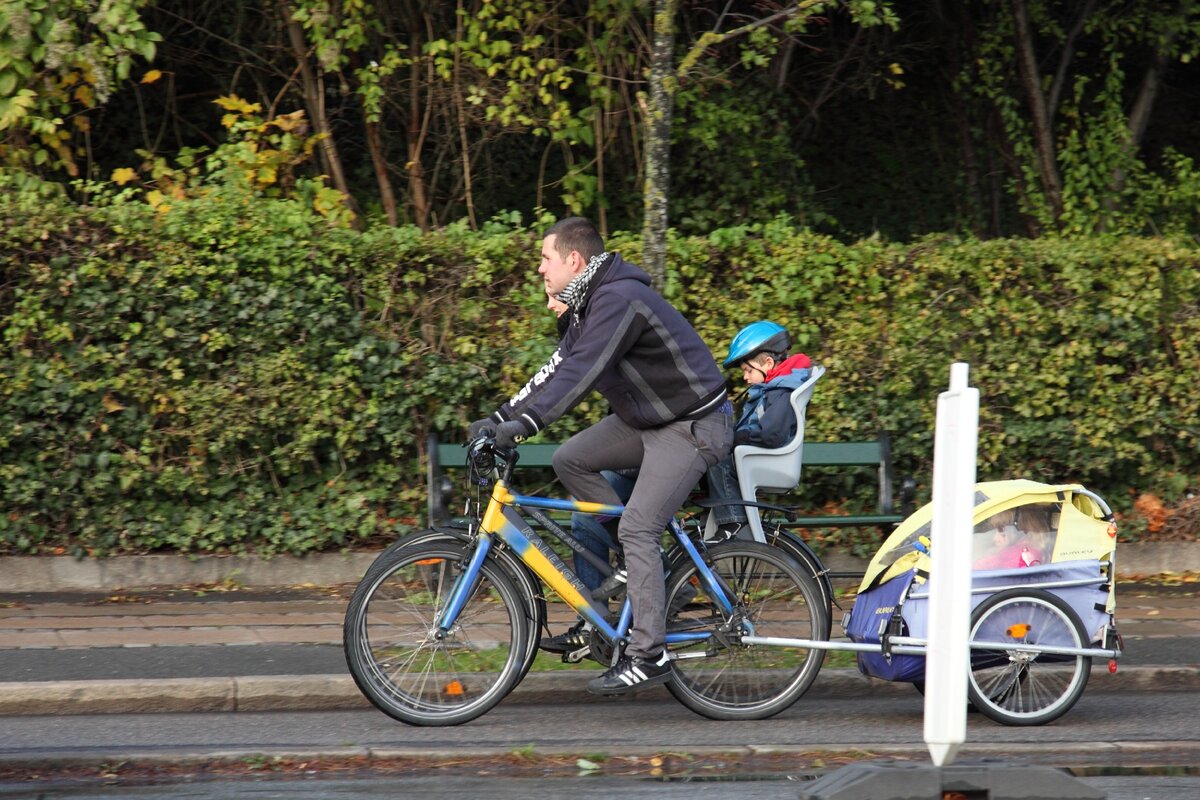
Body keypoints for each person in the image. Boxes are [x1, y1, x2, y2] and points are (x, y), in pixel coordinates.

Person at [469, 216, 732, 695]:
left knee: (639, 526)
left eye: (546, 260)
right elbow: (556, 369)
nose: (541, 271)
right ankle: (634, 564)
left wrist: (524, 427)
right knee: (570, 459)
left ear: (574, 260)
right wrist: (500, 416)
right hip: (650, 420)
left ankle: (650, 653)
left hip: (691, 426)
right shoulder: (585, 305)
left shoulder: (617, 300)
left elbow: (582, 373)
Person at [702, 320, 813, 538]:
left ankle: (732, 521)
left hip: (768, 459)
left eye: (747, 370)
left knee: (718, 458)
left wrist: (735, 437)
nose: (745, 377)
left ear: (768, 364)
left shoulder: (781, 391)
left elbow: (771, 433)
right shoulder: (775, 387)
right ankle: (717, 508)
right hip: (762, 456)